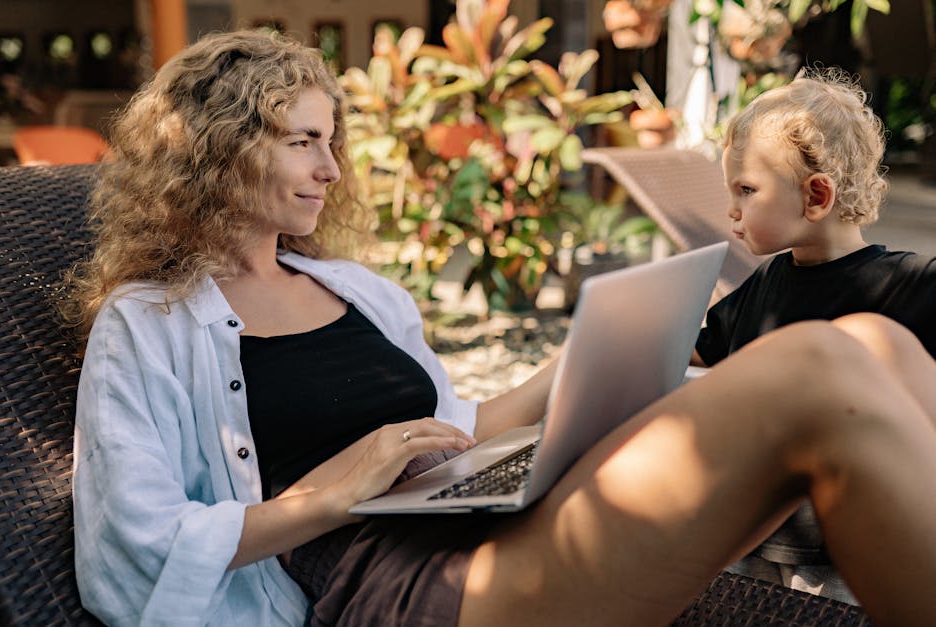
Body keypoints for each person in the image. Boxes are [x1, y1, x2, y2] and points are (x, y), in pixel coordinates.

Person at [66, 30, 936, 626]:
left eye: (332, 142)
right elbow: (126, 550)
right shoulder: (149, 324)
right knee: (822, 362)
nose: (332, 169)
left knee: (878, 342)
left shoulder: (354, 291)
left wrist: (606, 352)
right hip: (403, 580)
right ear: (217, 148)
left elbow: (467, 422)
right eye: (304, 142)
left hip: (485, 507)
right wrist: (330, 492)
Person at [693, 69, 936, 368]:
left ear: (816, 197)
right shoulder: (766, 282)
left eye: (746, 189)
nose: (732, 209)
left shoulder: (914, 286)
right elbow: (698, 351)